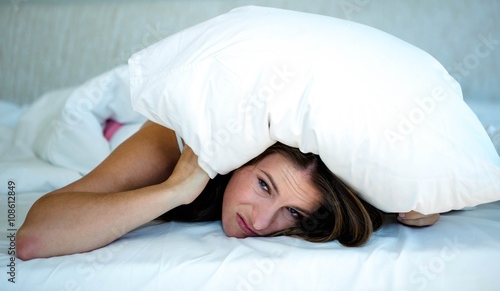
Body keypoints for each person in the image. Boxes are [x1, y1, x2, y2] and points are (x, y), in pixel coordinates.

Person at [16, 120, 439, 260]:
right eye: (263, 185)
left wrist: (420, 205)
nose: (259, 222)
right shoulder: (171, 139)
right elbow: (34, 239)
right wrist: (175, 190)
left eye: (293, 213)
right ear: (240, 156)